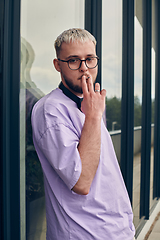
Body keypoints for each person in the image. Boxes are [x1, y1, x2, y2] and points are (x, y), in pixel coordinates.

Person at [31, 28, 135, 240]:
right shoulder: (50, 110)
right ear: (57, 65)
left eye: (89, 59)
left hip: (116, 230)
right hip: (84, 233)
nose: (84, 68)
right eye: (73, 60)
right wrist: (94, 116)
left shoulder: (89, 102)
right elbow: (81, 181)